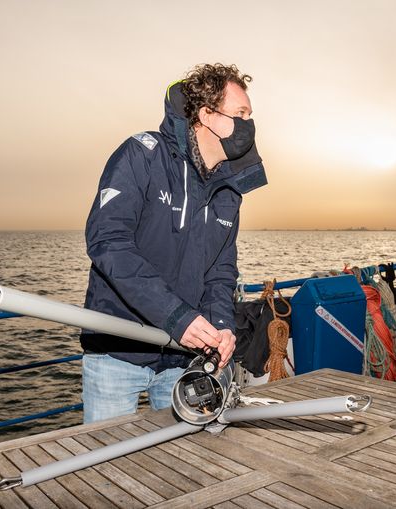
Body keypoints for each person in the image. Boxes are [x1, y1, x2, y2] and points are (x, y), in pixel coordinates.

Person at [81, 63, 267, 423]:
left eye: (250, 115)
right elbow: (108, 241)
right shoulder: (141, 155)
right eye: (240, 113)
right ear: (207, 115)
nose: (248, 124)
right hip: (118, 353)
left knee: (180, 465)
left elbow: (220, 272)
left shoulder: (229, 192)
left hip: (184, 359)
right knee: (100, 468)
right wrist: (175, 316)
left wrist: (222, 325)